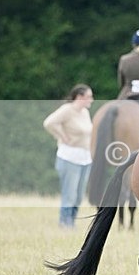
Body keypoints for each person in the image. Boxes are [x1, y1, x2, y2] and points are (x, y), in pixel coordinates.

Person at [43, 84, 94, 227]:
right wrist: (62, 136)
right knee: (69, 194)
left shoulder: (85, 112)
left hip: (85, 158)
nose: (91, 100)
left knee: (78, 196)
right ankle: (65, 224)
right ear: (79, 97)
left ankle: (71, 221)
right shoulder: (67, 110)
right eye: (89, 97)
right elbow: (49, 123)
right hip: (69, 158)